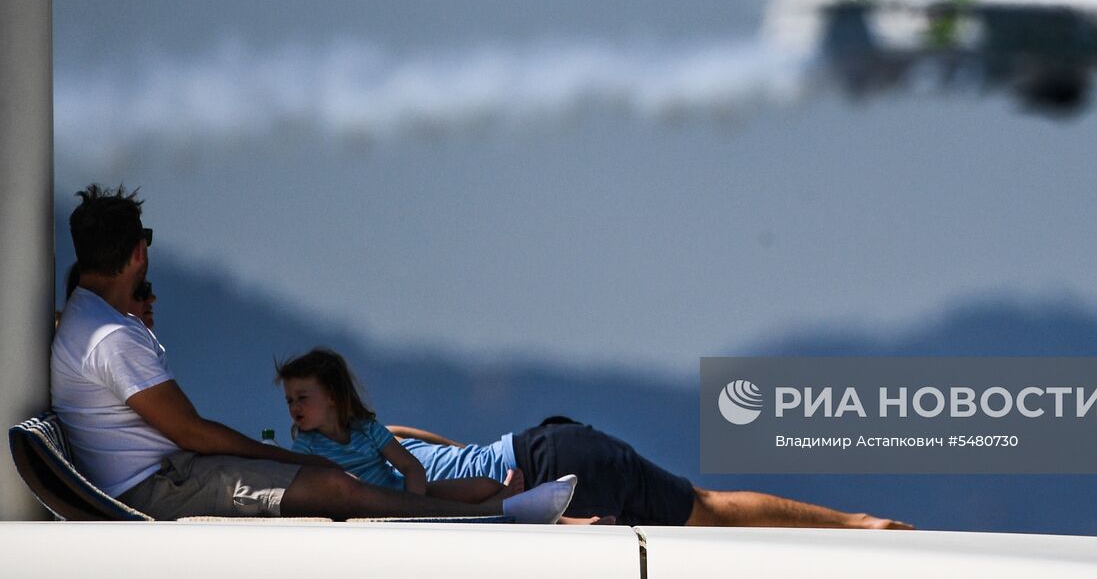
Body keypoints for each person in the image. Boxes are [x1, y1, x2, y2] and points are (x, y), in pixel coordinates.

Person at [51, 184, 574, 523]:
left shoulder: (84, 317)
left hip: (167, 474)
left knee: (337, 481)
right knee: (334, 487)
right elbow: (192, 433)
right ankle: (493, 517)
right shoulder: (112, 338)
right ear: (139, 253)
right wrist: (285, 458)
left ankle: (492, 509)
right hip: (160, 487)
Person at [387, 420, 913, 529]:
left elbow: (448, 505)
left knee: (706, 516)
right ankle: (857, 524)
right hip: (547, 443)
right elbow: (454, 446)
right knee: (706, 510)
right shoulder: (376, 434)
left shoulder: (358, 494)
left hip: (545, 477)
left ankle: (859, 528)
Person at [276, 348, 556, 508]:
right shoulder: (306, 447)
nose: (294, 407)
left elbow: (411, 467)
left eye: (302, 398)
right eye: (290, 400)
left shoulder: (366, 429)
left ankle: (498, 500)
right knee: (474, 501)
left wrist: (413, 501)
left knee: (485, 484)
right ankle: (495, 508)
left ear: (333, 397)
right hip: (368, 508)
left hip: (406, 496)